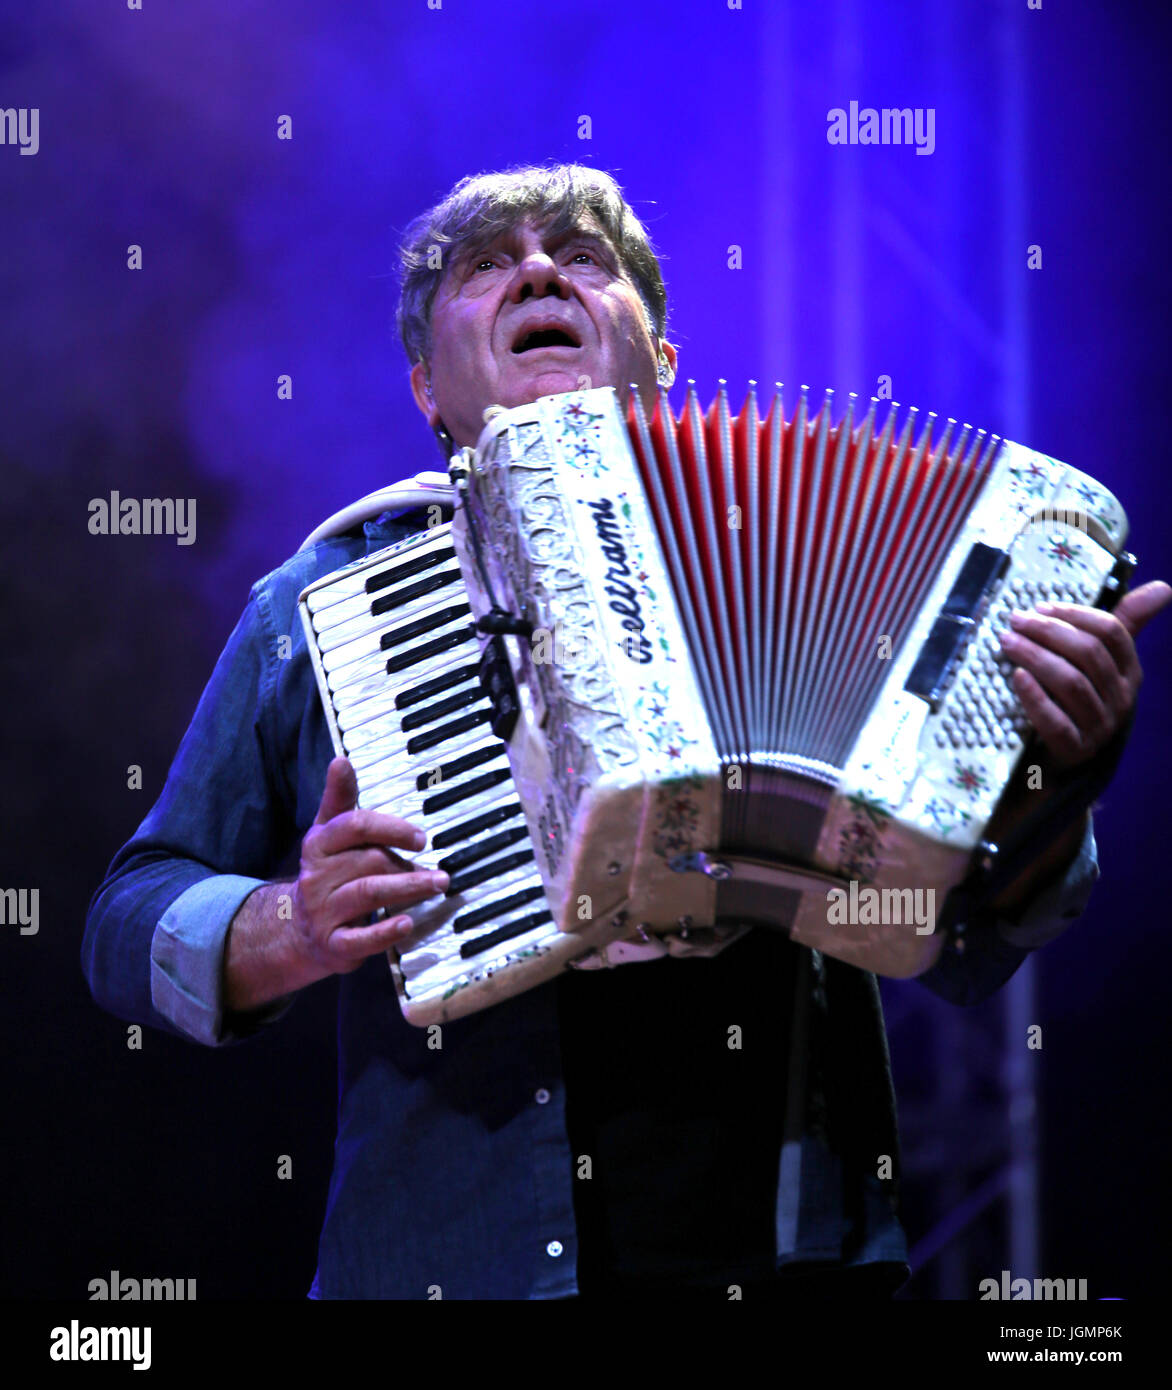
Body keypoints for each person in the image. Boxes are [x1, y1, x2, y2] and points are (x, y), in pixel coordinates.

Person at [82, 163, 1168, 1300]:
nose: (540, 268)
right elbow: (123, 919)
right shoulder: (323, 606)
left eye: (582, 257)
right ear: (424, 387)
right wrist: (291, 925)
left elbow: (965, 946)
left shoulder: (798, 557)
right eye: (487, 263)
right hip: (451, 1265)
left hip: (786, 1260)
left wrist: (1057, 778)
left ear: (660, 360)